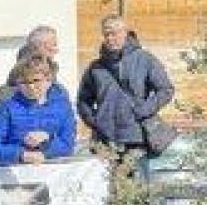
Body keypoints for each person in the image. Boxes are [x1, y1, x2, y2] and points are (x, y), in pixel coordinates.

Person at [76, 15, 177, 157]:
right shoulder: (95, 67)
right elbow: (83, 100)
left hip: (136, 138)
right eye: (106, 34)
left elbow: (166, 90)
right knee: (105, 172)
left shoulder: (144, 60)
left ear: (125, 32)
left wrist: (145, 109)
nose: (110, 38)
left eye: (114, 33)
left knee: (134, 172)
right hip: (104, 140)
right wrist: (95, 121)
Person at [0, 54, 76, 167]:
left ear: (48, 80)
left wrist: (48, 140)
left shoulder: (62, 107)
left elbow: (68, 145)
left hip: (53, 172)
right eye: (24, 82)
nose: (31, 87)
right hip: (15, 172)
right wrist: (20, 155)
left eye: (36, 80)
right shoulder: (7, 108)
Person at [0, 25, 61, 121]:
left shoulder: (58, 91)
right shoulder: (4, 96)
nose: (56, 50)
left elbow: (66, 124)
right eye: (53, 45)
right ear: (40, 47)